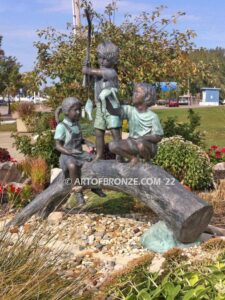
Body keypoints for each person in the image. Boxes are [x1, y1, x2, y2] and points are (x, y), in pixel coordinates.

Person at [54, 97, 105, 206]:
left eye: (79, 110)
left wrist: (87, 142)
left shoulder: (77, 124)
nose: (78, 113)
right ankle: (78, 193)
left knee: (94, 159)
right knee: (72, 166)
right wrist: (69, 151)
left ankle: (95, 186)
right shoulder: (61, 127)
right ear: (67, 111)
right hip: (67, 156)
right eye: (75, 110)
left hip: (79, 154)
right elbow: (58, 146)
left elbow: (79, 139)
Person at [105, 83, 164, 164]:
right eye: (133, 92)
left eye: (137, 92)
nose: (134, 95)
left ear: (147, 97)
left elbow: (158, 136)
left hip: (148, 146)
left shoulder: (153, 116)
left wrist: (144, 138)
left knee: (141, 145)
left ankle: (147, 161)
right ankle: (133, 159)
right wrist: (106, 99)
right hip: (132, 143)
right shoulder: (130, 110)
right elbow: (114, 111)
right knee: (112, 145)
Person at [82, 41, 122, 160]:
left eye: (106, 59)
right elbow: (88, 81)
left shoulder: (111, 72)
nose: (102, 61)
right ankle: (99, 155)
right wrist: (86, 72)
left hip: (111, 106)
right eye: (100, 58)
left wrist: (88, 70)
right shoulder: (98, 73)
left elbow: (94, 72)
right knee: (99, 131)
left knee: (115, 130)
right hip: (100, 106)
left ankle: (119, 155)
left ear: (112, 60)